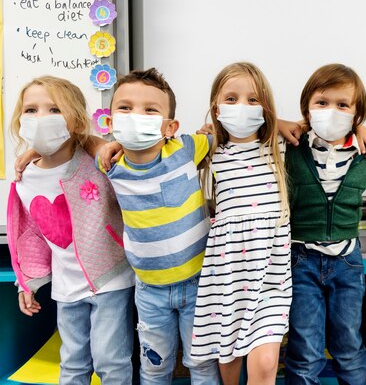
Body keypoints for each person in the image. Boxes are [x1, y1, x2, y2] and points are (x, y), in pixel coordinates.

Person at [6, 76, 135, 384]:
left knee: (110, 361)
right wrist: (27, 283)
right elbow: (32, 237)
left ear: (76, 121)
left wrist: (94, 142)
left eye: (54, 110)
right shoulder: (25, 178)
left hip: (111, 280)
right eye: (31, 110)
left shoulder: (97, 163)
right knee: (73, 363)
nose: (41, 119)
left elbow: (130, 181)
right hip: (66, 289)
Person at [97, 68, 219, 384]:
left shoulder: (186, 148)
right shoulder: (109, 163)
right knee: (154, 368)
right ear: (109, 123)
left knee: (203, 366)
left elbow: (222, 132)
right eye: (125, 108)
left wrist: (212, 128)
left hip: (198, 284)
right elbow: (79, 141)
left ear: (170, 127)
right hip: (149, 290)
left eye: (150, 110)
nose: (136, 116)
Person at [189, 62, 291, 385]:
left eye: (253, 99)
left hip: (270, 276)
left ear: (266, 108)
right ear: (216, 108)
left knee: (264, 362)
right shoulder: (210, 150)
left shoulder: (279, 147)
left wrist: (360, 128)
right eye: (231, 99)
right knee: (228, 363)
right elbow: (152, 153)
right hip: (228, 275)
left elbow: (322, 127)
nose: (242, 107)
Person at [283, 64, 366, 385]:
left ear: (357, 114)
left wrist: (362, 131)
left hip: (347, 261)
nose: (331, 111)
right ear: (307, 109)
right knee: (305, 348)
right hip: (301, 261)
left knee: (348, 345)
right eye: (322, 103)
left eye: (343, 105)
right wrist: (293, 124)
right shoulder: (291, 147)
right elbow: (254, 128)